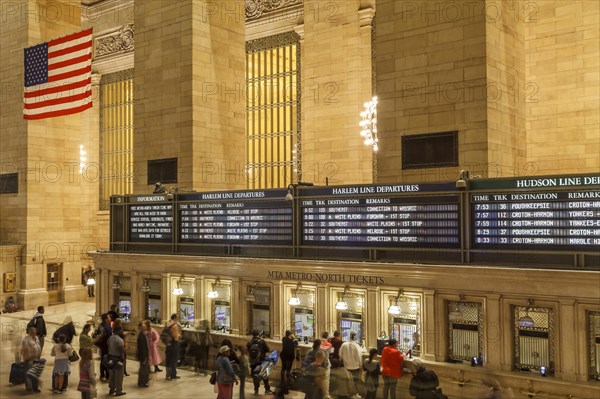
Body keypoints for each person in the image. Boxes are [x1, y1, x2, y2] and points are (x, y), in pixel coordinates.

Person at [247, 329, 273, 395]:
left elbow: (248, 350)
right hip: (261, 361)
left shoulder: (249, 342)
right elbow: (267, 349)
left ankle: (256, 390)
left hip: (253, 362)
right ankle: (267, 389)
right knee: (264, 375)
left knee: (255, 376)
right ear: (259, 334)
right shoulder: (261, 341)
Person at [339, 331, 363, 399]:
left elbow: (340, 355)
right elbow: (359, 356)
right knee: (355, 381)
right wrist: (361, 365)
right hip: (355, 367)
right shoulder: (356, 345)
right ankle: (354, 394)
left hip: (346, 366)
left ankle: (348, 394)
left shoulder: (344, 344)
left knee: (347, 382)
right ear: (355, 337)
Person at [107, 325, 126, 396]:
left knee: (112, 375)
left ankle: (111, 389)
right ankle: (118, 390)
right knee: (119, 376)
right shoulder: (120, 340)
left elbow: (108, 346)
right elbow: (121, 350)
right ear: (118, 331)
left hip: (111, 358)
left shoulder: (110, 338)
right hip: (118, 359)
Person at [94, 313, 113, 381]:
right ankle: (107, 375)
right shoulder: (106, 326)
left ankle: (102, 374)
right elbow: (106, 335)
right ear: (106, 319)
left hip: (102, 345)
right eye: (108, 317)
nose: (110, 318)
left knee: (103, 359)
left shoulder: (101, 325)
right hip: (106, 345)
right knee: (106, 359)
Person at [164, 313, 182, 380]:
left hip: (168, 345)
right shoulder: (175, 325)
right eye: (178, 317)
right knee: (174, 360)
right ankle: (173, 375)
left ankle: (168, 375)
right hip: (174, 345)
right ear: (175, 318)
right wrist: (179, 335)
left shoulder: (167, 323)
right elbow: (176, 337)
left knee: (168, 360)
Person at [136, 322, 151, 387]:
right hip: (143, 356)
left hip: (143, 355)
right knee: (144, 369)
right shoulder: (142, 335)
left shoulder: (143, 334)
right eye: (144, 326)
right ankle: (143, 382)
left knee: (143, 368)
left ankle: (142, 381)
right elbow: (142, 347)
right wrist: (145, 357)